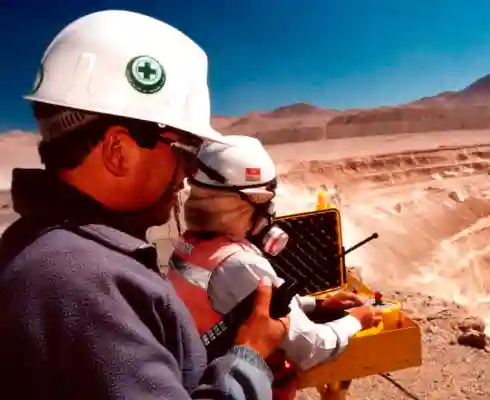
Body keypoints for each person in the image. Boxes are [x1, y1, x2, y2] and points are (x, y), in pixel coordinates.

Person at [0, 10, 288, 400]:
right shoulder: (83, 284)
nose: (187, 174)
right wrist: (248, 359)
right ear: (119, 150)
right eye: (186, 151)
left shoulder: (49, 250)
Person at [168, 135, 384, 396]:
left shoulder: (190, 246)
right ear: (246, 201)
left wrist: (318, 304)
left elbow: (243, 306)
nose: (269, 212)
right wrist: (357, 320)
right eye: (266, 201)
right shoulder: (240, 264)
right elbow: (311, 347)